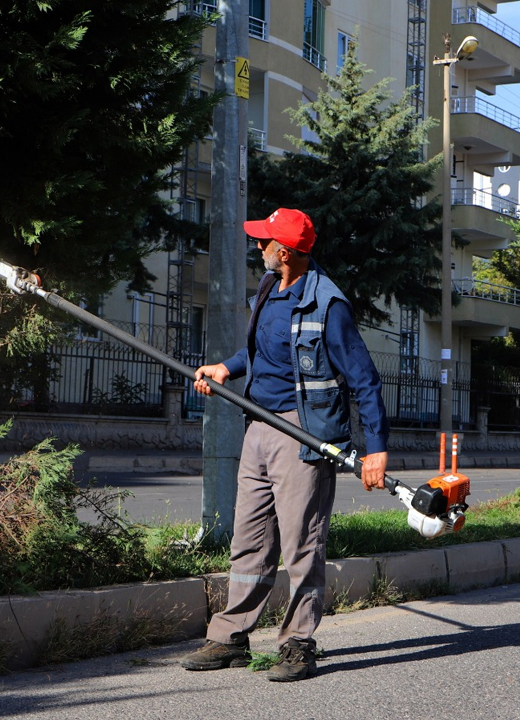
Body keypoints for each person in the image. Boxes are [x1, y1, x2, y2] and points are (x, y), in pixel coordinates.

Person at [178, 208, 389, 682]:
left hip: (304, 433)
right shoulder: (270, 288)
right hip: (258, 425)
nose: (258, 247)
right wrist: (227, 368)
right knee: (248, 540)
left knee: (301, 545)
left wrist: (375, 449)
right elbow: (262, 351)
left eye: (264, 241)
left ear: (286, 251)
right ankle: (230, 636)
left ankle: (297, 643)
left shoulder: (328, 305)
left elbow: (366, 381)